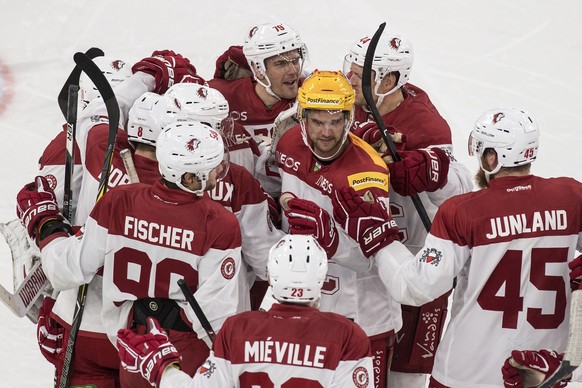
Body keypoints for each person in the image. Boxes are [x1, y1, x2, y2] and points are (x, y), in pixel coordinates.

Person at [331, 107, 582, 387]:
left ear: (491, 158)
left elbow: (415, 288)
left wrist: (379, 239)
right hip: (545, 369)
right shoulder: (571, 196)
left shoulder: (464, 212)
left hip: (467, 372)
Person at [17, 120, 242, 387]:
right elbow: (216, 317)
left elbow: (65, 269)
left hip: (132, 349)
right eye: (213, 167)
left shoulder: (119, 200)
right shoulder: (219, 222)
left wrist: (46, 223)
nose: (220, 172)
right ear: (190, 177)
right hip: (182, 357)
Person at [343, 29, 474, 387]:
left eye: (360, 74)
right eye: (349, 69)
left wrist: (429, 170)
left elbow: (461, 194)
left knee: (407, 376)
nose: (349, 79)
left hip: (415, 259)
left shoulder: (426, 125)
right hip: (363, 259)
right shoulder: (345, 104)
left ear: (389, 80)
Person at [267, 69, 401, 388]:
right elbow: (273, 187)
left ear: (349, 118)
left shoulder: (367, 172)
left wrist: (331, 239)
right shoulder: (288, 143)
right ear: (303, 118)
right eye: (317, 122)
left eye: (335, 121)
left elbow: (374, 258)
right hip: (306, 308)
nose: (326, 132)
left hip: (365, 318)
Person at [116, 234, 374, 388]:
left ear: (270, 275)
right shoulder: (348, 335)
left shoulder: (238, 329)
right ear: (321, 278)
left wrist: (163, 369)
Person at [209, 22, 309, 198]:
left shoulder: (312, 95)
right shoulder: (221, 96)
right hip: (242, 204)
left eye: (295, 60)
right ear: (258, 68)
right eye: (280, 64)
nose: (293, 70)